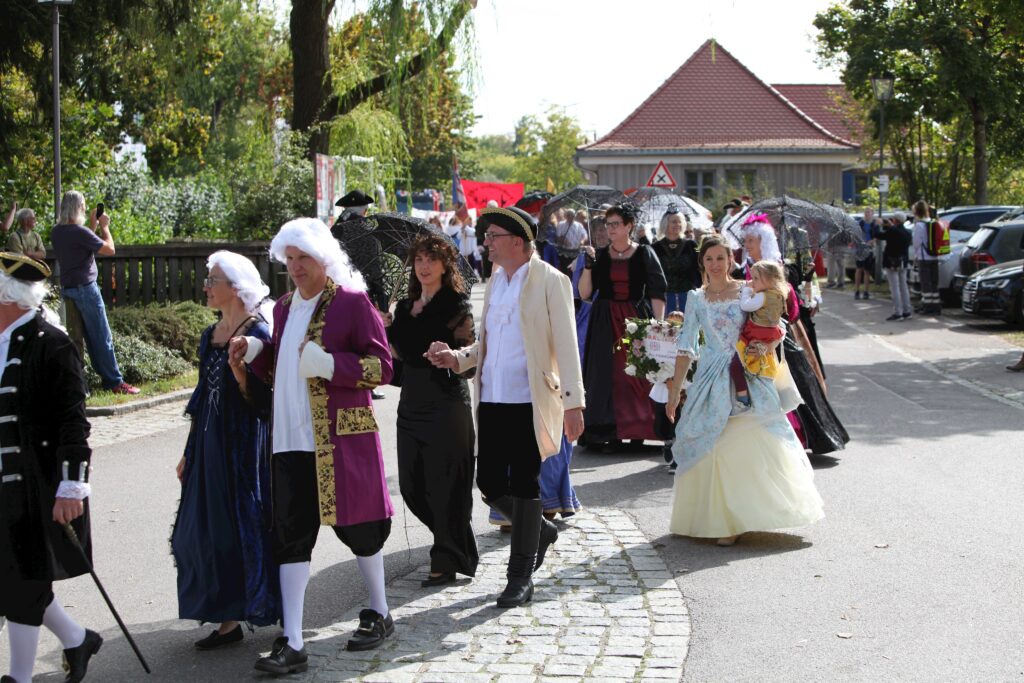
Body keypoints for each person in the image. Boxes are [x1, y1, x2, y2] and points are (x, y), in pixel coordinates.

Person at [230, 218, 395, 674]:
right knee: (290, 538)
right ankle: (294, 639)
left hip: (340, 438)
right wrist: (256, 353)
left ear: (324, 258)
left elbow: (382, 368)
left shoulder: (353, 302)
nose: (296, 267)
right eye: (290, 259)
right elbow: (285, 365)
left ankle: (380, 609)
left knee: (360, 527)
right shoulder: (283, 308)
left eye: (303, 257)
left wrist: (330, 364)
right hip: (288, 439)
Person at [425, 206, 585, 609]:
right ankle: (540, 531)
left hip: (531, 399)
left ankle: (520, 577)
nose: (486, 243)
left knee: (526, 484)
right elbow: (490, 342)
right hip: (493, 397)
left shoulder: (552, 281)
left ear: (517, 241)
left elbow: (567, 345)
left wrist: (574, 403)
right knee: (490, 483)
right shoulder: (496, 280)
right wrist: (459, 358)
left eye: (493, 236)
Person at [665, 236, 825, 546]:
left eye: (720, 258)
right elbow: (686, 345)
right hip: (711, 376)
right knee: (714, 443)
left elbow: (775, 326)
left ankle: (745, 516)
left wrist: (765, 345)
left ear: (730, 260)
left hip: (748, 371)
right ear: (702, 262)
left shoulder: (748, 290)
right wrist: (675, 391)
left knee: (748, 441)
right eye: (709, 259)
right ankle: (721, 518)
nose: (715, 264)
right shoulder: (696, 298)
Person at [0, 252, 102, 683]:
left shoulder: (52, 344)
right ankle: (78, 639)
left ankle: (19, 677)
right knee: (13, 578)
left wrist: (71, 487)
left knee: (23, 581)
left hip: (35, 487)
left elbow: (73, 422)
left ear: (7, 296)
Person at [171, 251, 280, 650]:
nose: (205, 287)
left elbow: (265, 400)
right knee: (203, 529)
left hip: (245, 441)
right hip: (209, 439)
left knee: (242, 525)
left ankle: (250, 609)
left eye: (211, 281)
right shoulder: (210, 334)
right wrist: (189, 450)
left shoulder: (259, 333)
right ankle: (224, 614)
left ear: (234, 288)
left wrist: (242, 373)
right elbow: (202, 396)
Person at [386, 234, 478, 587]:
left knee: (447, 486)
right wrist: (384, 331)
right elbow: (398, 361)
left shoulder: (457, 307)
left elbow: (470, 363)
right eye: (419, 260)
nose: (424, 266)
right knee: (411, 486)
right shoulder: (402, 309)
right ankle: (456, 542)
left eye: (431, 260)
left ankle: (445, 559)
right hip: (411, 404)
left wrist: (451, 356)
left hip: (447, 405)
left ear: (445, 265)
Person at [741, 217, 849, 456]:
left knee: (791, 383)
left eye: (751, 240)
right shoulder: (745, 268)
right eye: (745, 240)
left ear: (763, 241)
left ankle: (800, 436)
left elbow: (792, 310)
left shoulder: (775, 269)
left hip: (779, 335)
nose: (746, 245)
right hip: (752, 336)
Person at [578, 203, 667, 451]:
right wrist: (588, 267)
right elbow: (584, 294)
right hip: (605, 322)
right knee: (607, 376)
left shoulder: (645, 253)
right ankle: (610, 432)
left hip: (635, 319)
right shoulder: (599, 255)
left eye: (616, 224)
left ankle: (639, 431)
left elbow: (657, 291)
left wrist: (658, 325)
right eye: (608, 224)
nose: (610, 229)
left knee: (638, 375)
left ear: (629, 226)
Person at [49, 190, 139, 394]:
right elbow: (109, 249)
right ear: (78, 207)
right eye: (83, 205)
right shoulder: (79, 232)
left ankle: (90, 381)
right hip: (86, 289)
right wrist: (105, 227)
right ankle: (115, 382)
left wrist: (93, 226)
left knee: (80, 339)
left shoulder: (57, 232)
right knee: (101, 336)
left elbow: (82, 245)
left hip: (69, 289)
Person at [653, 207, 701, 314]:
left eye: (680, 221)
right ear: (665, 224)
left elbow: (700, 269)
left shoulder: (691, 245)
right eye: (674, 222)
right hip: (665, 298)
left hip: (689, 297)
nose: (677, 224)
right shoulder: (655, 248)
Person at [874, 213, 913, 321]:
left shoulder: (893, 231)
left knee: (894, 287)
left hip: (892, 261)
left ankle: (898, 312)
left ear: (895, 220)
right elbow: (893, 232)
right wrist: (889, 226)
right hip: (903, 261)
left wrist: (877, 225)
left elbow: (878, 235)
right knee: (904, 286)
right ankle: (907, 311)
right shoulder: (907, 232)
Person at [912, 200, 942, 315]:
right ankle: (936, 306)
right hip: (934, 256)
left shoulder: (919, 225)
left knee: (926, 284)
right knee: (934, 283)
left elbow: (916, 243)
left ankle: (928, 307)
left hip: (924, 257)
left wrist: (915, 256)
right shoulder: (932, 222)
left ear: (916, 211)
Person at [854, 208, 879, 299]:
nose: (867, 213)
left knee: (867, 271)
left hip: (869, 249)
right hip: (860, 249)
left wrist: (871, 241)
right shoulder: (860, 223)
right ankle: (857, 291)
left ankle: (866, 291)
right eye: (865, 212)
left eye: (868, 212)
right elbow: (855, 234)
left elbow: (877, 236)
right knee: (859, 269)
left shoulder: (874, 224)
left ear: (872, 213)